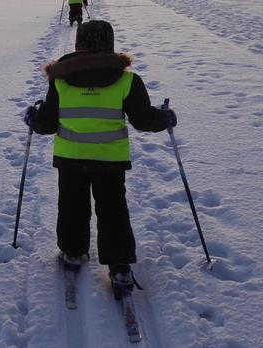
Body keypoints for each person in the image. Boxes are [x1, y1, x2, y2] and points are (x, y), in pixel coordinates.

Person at [23, 20, 177, 294]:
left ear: (78, 44)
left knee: (72, 205)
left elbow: (46, 124)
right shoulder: (128, 80)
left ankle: (72, 252)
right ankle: (119, 266)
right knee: (112, 209)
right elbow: (143, 120)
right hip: (110, 160)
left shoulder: (60, 80)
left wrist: (34, 117)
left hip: (71, 157)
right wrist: (163, 118)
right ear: (110, 44)